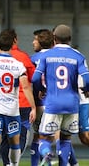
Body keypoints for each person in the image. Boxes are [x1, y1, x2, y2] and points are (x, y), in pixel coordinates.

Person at [32, 24, 89, 166]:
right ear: (70, 39)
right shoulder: (78, 56)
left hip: (53, 103)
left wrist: (41, 89)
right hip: (72, 104)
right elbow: (88, 80)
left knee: (43, 137)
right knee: (66, 139)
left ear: (54, 38)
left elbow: (35, 78)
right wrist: (85, 88)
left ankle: (46, 153)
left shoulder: (47, 55)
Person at [0, 31, 36, 166]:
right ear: (12, 45)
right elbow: (26, 87)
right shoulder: (18, 65)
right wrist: (33, 107)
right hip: (12, 110)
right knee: (14, 142)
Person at [29, 29, 54, 166]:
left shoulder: (33, 59)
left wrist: (40, 90)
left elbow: (33, 79)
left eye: (35, 40)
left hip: (39, 103)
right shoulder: (57, 57)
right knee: (51, 137)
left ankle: (40, 162)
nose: (33, 42)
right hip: (55, 103)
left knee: (38, 136)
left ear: (41, 41)